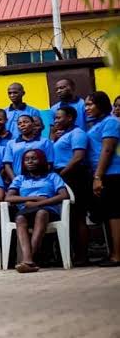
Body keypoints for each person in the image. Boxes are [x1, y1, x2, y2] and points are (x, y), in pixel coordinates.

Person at [5, 149, 69, 273]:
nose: (30, 162)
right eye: (27, 159)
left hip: (49, 210)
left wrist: (40, 203)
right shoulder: (20, 179)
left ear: (42, 160)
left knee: (41, 213)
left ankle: (28, 259)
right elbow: (9, 197)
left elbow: (63, 195)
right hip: (26, 211)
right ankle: (29, 261)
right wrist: (33, 198)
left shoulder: (52, 176)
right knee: (19, 218)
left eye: (34, 158)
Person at [52, 106, 91, 265]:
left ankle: (82, 255)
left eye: (59, 118)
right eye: (55, 118)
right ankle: (71, 254)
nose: (56, 121)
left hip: (74, 176)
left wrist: (61, 175)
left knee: (78, 216)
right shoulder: (62, 135)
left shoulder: (78, 133)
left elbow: (78, 157)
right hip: (64, 175)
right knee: (69, 216)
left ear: (70, 118)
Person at [84, 91, 120, 267]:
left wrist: (98, 176)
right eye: (85, 105)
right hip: (102, 173)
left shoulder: (111, 122)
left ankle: (117, 255)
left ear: (101, 104)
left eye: (90, 104)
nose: (87, 109)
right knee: (108, 213)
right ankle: (112, 252)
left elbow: (107, 150)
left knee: (114, 214)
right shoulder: (98, 124)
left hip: (111, 173)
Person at [3, 114, 55, 179]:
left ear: (33, 124)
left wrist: (41, 179)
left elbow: (49, 162)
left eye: (25, 122)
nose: (22, 125)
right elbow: (7, 165)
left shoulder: (45, 141)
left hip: (41, 179)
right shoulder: (11, 143)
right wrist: (15, 181)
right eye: (19, 123)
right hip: (18, 180)